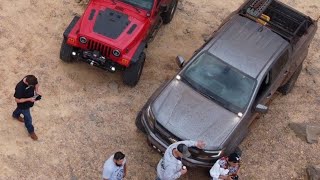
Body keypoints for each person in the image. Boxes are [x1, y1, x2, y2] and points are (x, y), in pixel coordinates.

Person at [12, 75, 41, 140]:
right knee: (28, 118)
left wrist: (36, 91)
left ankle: (15, 115)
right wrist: (29, 99)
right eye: (32, 86)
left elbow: (36, 84)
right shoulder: (19, 88)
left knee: (19, 109)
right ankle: (31, 131)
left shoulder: (30, 78)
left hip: (28, 101)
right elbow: (17, 100)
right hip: (23, 104)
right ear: (27, 83)